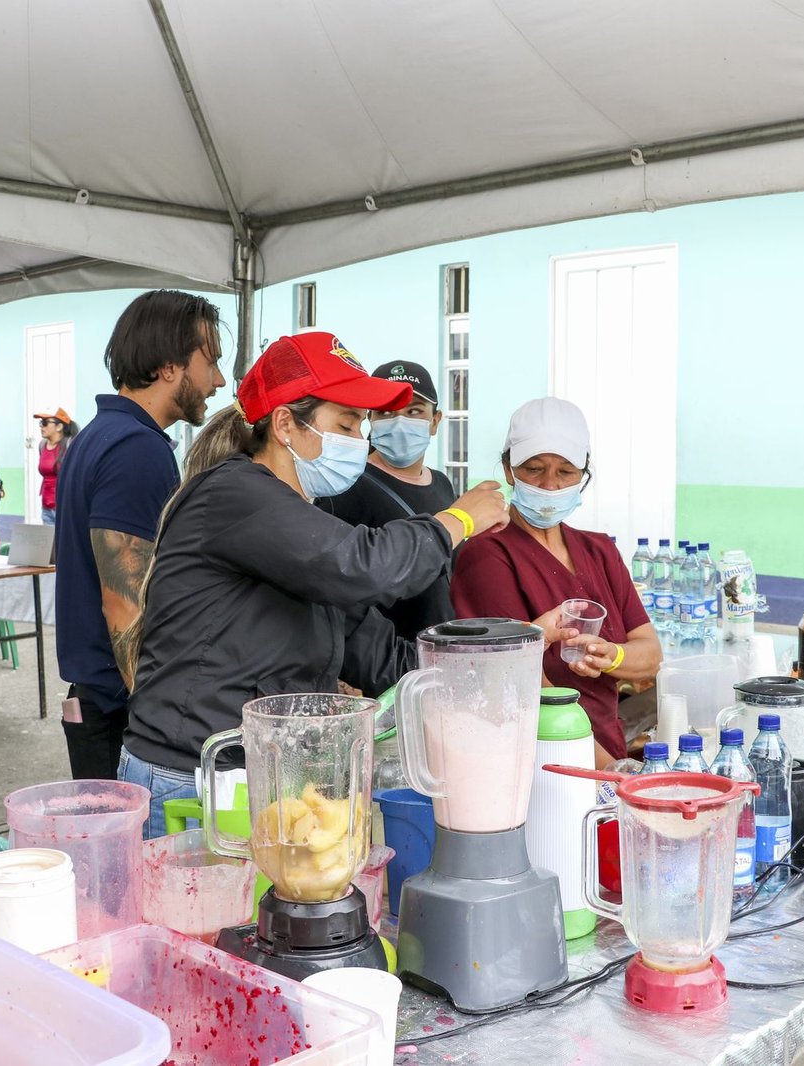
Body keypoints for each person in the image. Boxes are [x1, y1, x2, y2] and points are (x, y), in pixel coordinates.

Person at [119, 332, 510, 836]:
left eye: (360, 425)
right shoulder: (236, 495)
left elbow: (371, 648)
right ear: (286, 423)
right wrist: (457, 519)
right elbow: (364, 566)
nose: (359, 440)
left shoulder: (297, 521)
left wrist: (481, 667)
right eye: (345, 425)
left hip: (264, 773)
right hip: (193, 775)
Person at [54, 290, 227, 781]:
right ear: (169, 367)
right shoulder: (136, 449)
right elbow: (123, 602)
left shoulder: (99, 435)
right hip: (120, 708)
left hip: (101, 699)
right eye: (211, 362)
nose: (218, 381)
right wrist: (158, 718)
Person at [449, 397, 663, 766]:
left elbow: (650, 655)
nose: (549, 485)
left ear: (583, 474)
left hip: (603, 745)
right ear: (509, 470)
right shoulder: (486, 555)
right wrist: (608, 771)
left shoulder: (600, 551)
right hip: (543, 755)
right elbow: (518, 679)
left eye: (565, 472)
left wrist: (612, 656)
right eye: (534, 469)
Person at [317, 361, 457, 639]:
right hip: (381, 656)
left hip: (437, 647)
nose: (400, 422)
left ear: (435, 421)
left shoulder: (442, 484)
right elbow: (335, 585)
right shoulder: (346, 485)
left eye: (414, 411)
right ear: (370, 419)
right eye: (386, 412)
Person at [35, 408, 79, 526]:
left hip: (65, 507)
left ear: (59, 426)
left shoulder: (70, 445)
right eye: (41, 423)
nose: (41, 427)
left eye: (45, 423)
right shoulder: (42, 445)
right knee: (48, 538)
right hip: (46, 507)